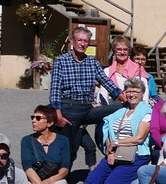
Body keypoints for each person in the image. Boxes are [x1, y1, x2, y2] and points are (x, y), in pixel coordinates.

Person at [49, 26, 122, 169]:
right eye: (79, 40)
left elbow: (106, 82)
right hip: (69, 109)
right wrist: (58, 115)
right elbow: (55, 89)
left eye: (86, 41)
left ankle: (109, 161)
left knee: (120, 107)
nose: (82, 44)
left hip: (87, 109)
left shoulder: (92, 62)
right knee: (72, 148)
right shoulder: (61, 61)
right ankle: (62, 177)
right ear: (72, 41)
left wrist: (125, 98)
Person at [78, 79, 152, 184]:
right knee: (96, 174)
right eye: (128, 91)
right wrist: (110, 150)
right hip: (115, 151)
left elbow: (139, 138)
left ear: (142, 93)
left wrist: (116, 143)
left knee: (116, 178)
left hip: (136, 154)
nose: (132, 94)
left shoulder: (146, 112)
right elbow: (108, 133)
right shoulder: (120, 112)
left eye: (135, 91)